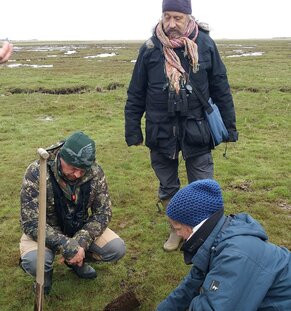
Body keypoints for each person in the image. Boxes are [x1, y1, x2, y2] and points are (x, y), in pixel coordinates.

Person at [124, 0, 238, 251]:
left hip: (197, 131)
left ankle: (204, 234)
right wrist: (133, 129)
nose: (171, 23)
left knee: (203, 184)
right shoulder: (150, 49)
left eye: (177, 17)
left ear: (189, 17)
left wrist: (229, 127)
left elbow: (221, 87)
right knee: (168, 186)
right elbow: (136, 92)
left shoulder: (205, 45)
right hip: (160, 132)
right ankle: (176, 230)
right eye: (167, 17)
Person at [156, 179, 291, 311]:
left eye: (178, 228)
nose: (178, 235)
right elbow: (191, 285)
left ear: (196, 227)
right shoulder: (215, 239)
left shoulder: (235, 256)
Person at [19, 131, 126, 294]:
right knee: (36, 263)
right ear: (62, 157)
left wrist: (80, 242)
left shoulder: (95, 172)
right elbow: (30, 222)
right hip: (45, 231)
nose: (77, 174)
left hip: (79, 229)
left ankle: (76, 262)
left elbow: (103, 212)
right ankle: (45, 275)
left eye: (82, 170)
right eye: (73, 168)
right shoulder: (37, 172)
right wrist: (66, 245)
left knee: (116, 248)